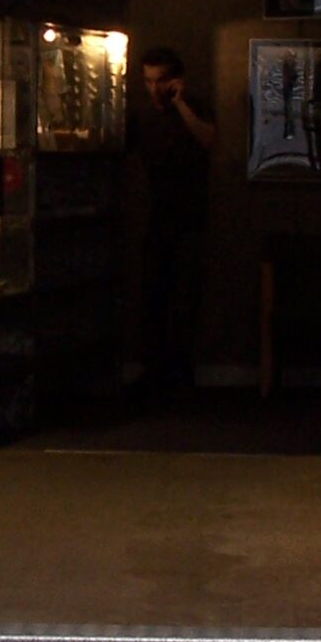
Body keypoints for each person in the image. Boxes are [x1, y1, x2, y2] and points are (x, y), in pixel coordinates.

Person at [133, 46, 216, 397]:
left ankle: (181, 374)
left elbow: (208, 139)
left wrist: (180, 103)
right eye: (149, 81)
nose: (154, 89)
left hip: (190, 216)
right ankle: (155, 372)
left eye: (160, 81)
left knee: (185, 298)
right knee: (154, 295)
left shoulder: (191, 108)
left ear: (174, 80)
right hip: (158, 215)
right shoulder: (142, 118)